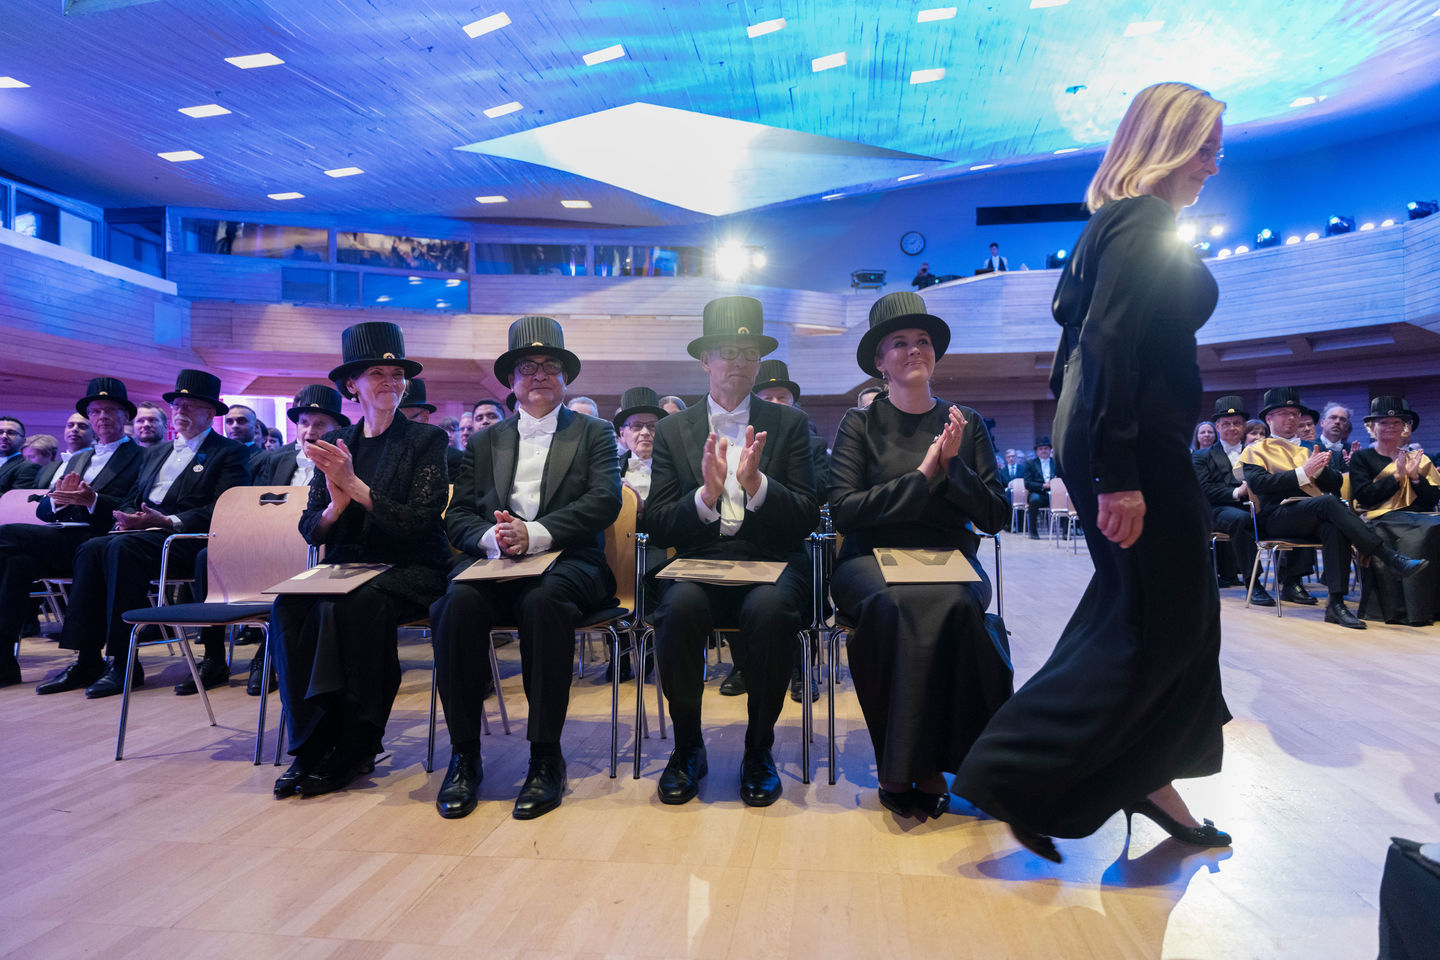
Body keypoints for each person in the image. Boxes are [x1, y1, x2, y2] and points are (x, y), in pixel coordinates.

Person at [954, 82, 1233, 862]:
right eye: (1204, 147)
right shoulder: (1142, 222)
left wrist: (1099, 457)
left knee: (1156, 619)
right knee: (1154, 624)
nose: (1214, 164)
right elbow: (1106, 347)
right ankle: (1010, 771)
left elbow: (1070, 364)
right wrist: (1116, 472)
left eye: (1217, 149)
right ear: (1166, 143)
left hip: (1129, 445)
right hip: (1137, 452)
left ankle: (1148, 778)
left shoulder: (1114, 227)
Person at [830, 291, 1012, 819]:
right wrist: (923, 476)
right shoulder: (858, 424)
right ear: (880, 361)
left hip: (948, 556)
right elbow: (844, 510)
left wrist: (954, 466)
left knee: (955, 605)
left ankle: (940, 762)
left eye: (923, 342)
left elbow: (995, 515)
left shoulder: (966, 423)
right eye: (900, 343)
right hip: (870, 559)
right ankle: (899, 762)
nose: (914, 351)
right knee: (893, 606)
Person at [430, 315, 621, 820]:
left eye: (550, 366)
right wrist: (492, 536)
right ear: (510, 381)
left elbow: (605, 501)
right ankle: (464, 756)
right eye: (526, 367)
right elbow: (460, 515)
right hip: (494, 562)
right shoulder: (484, 440)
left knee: (543, 603)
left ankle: (544, 756)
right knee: (456, 603)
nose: (538, 374)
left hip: (571, 559)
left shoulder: (595, 432)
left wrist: (534, 533)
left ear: (565, 379)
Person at [646, 295, 819, 807]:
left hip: (771, 561)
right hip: (699, 561)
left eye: (749, 351)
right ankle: (687, 746)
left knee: (770, 611)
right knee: (676, 608)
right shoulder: (674, 428)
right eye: (727, 350)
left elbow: (808, 513)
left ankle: (758, 749)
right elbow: (656, 522)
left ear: (759, 361)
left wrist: (758, 484)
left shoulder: (789, 423)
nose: (739, 361)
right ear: (705, 360)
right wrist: (704, 497)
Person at [271, 321, 451, 799]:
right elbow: (311, 528)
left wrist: (357, 487)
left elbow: (420, 521)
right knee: (288, 606)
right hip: (347, 567)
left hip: (410, 568)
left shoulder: (425, 441)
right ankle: (310, 743)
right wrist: (336, 504)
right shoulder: (338, 441)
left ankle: (358, 742)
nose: (390, 382)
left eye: (397, 374)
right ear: (352, 384)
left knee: (349, 607)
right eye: (378, 373)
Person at [38, 370, 251, 697]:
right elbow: (130, 499)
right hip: (145, 537)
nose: (180, 412)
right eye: (177, 405)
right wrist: (118, 512)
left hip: (190, 539)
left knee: (120, 550)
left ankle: (125, 663)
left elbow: (225, 506)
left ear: (210, 413)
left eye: (190, 406)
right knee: (92, 548)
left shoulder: (229, 452)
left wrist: (167, 521)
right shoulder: (156, 452)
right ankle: (87, 658)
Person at [1240, 386, 1425, 629]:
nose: (1292, 418)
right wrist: (1302, 473)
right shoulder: (1255, 449)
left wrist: (1320, 470)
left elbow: (1337, 482)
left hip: (1312, 514)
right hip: (1276, 516)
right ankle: (1388, 556)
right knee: (1329, 504)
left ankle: (1336, 605)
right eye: (1284, 413)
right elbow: (1259, 484)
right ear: (1268, 418)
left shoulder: (1308, 448)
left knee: (1333, 527)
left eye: (1295, 413)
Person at [0, 378, 143, 688]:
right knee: (16, 562)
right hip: (63, 538)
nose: (102, 417)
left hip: (104, 538)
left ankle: (88, 660)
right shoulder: (77, 458)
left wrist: (91, 500)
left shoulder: (142, 456)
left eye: (110, 410)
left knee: (5, 536)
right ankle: (3, 659)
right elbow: (42, 509)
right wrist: (56, 501)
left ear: (125, 416)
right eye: (95, 411)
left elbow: (136, 504)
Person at [1347, 397, 1440, 626]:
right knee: (1419, 534)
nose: (1390, 427)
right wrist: (1397, 478)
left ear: (1405, 427)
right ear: (1372, 428)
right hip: (1381, 518)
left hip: (1419, 517)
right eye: (1384, 422)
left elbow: (1432, 501)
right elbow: (1365, 496)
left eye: (1396, 422)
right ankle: (1408, 611)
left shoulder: (1419, 459)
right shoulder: (1362, 458)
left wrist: (1416, 477)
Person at [1193, 396, 1271, 603]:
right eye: (1226, 424)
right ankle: (1253, 583)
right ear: (1217, 426)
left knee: (1289, 515)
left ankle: (1292, 582)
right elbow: (1204, 490)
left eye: (1237, 423)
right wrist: (1239, 492)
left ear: (1244, 426)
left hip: (1255, 508)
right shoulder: (1202, 456)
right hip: (1217, 511)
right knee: (1240, 519)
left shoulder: (1257, 453)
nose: (1232, 428)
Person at [1021, 436, 1058, 539]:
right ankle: (1033, 531)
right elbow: (1027, 483)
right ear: (1036, 451)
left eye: (1046, 448)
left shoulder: (1056, 462)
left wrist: (1055, 482)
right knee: (1034, 499)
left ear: (1050, 450)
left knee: (1065, 498)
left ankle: (1065, 532)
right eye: (1041, 449)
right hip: (1038, 493)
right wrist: (1043, 485)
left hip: (1054, 492)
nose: (1044, 451)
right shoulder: (1030, 464)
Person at [0, 417, 41, 493]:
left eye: (11, 433)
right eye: (0, 432)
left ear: (23, 441)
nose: (4, 436)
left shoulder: (29, 467)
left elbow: (16, 500)